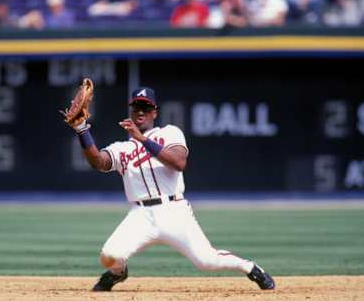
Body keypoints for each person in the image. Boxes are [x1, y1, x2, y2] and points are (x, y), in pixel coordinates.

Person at [66, 86, 276, 292]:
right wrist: (82, 130)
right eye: (137, 106)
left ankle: (249, 267)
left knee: (207, 261)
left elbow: (178, 162)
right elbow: (99, 162)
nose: (141, 111)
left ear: (154, 112)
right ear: (131, 110)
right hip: (141, 214)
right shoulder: (122, 148)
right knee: (109, 255)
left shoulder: (170, 133)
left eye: (146, 107)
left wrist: (143, 139)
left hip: (174, 211)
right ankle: (118, 272)